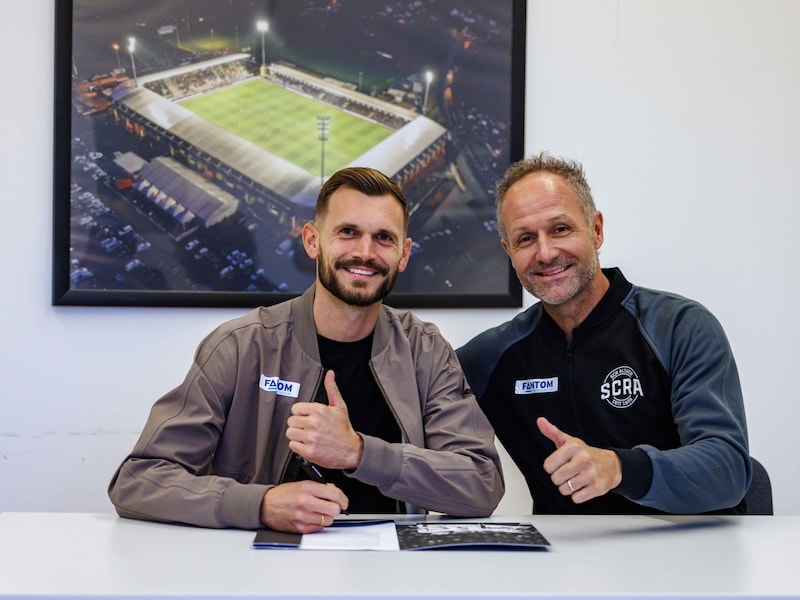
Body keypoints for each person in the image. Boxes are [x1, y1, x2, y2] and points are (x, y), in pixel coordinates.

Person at [108, 166, 504, 532]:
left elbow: (481, 485)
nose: (365, 252)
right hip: (261, 572)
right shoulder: (241, 346)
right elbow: (139, 480)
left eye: (383, 237)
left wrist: (359, 453)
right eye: (348, 232)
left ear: (403, 254)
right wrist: (259, 505)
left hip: (391, 571)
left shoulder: (426, 350)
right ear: (313, 241)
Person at [457, 153, 751, 514]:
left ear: (596, 229)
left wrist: (620, 468)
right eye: (526, 239)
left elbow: (727, 470)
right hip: (564, 563)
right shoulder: (489, 357)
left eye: (561, 229)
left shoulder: (680, 327)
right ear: (508, 251)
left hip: (686, 557)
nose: (546, 252)